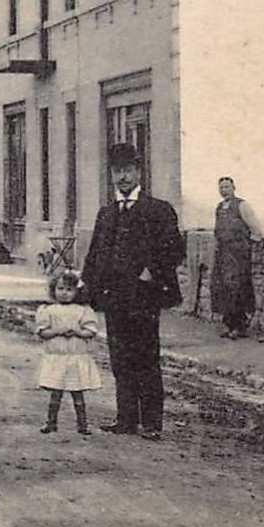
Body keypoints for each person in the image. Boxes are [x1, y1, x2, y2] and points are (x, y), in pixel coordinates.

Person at [80, 142, 185, 440]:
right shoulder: (106, 213)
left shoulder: (158, 210)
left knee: (146, 357)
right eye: (117, 171)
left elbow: (174, 248)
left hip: (142, 296)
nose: (123, 177)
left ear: (139, 172)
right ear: (111, 175)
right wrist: (86, 290)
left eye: (128, 170)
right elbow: (94, 255)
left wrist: (151, 271)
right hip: (113, 297)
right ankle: (126, 419)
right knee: (120, 358)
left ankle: (151, 423)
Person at [35, 270, 101, 435]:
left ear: (77, 292)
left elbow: (90, 331)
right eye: (60, 289)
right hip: (57, 358)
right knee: (55, 394)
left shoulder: (83, 311)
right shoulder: (48, 310)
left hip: (75, 358)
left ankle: (82, 425)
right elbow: (43, 333)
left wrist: (77, 332)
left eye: (69, 290)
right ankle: (51, 423)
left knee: (77, 394)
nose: (64, 293)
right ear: (53, 290)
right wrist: (57, 330)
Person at [211, 176, 262, 339]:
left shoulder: (242, 205)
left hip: (238, 253)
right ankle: (229, 324)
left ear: (234, 188)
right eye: (222, 187)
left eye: (227, 187)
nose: (224, 190)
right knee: (222, 287)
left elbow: (255, 227)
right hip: (223, 252)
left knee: (237, 287)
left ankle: (240, 326)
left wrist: (250, 244)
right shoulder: (219, 207)